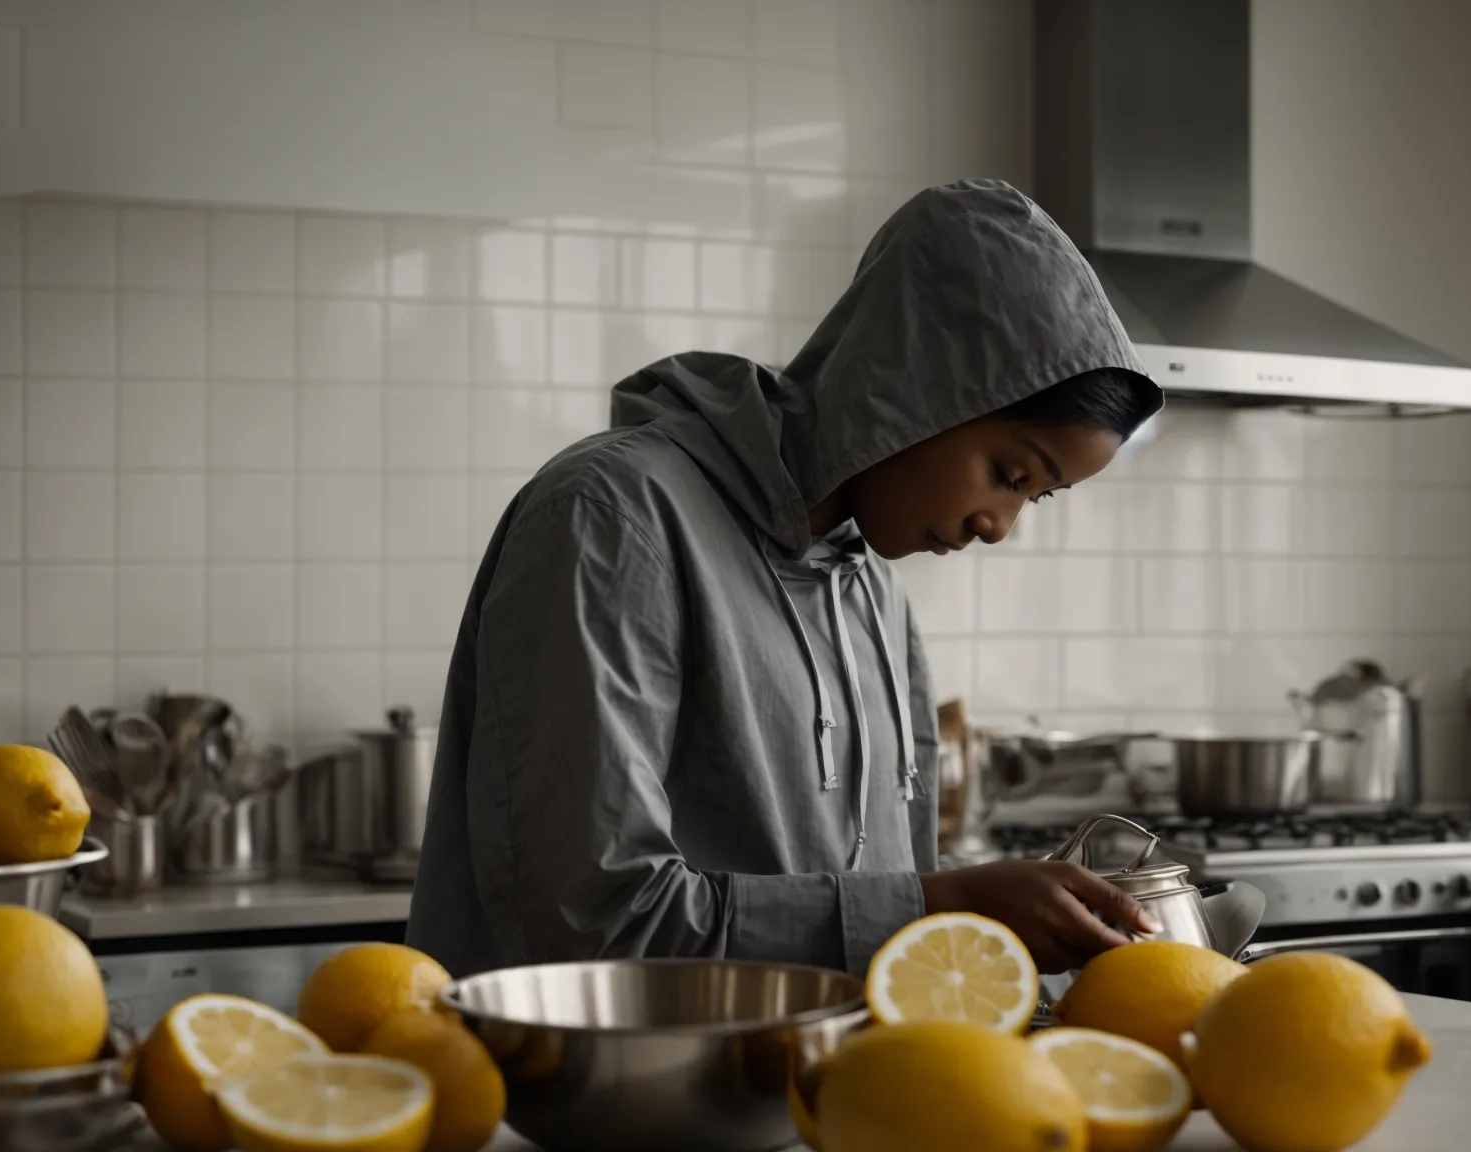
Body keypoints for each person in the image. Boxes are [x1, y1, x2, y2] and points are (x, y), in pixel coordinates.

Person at [405, 178, 1165, 980]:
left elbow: (894, 941)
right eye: (1009, 473)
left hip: (809, 1099)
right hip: (597, 1103)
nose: (998, 525)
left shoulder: (872, 589)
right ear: (914, 384)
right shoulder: (611, 518)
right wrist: (943, 908)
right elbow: (586, 924)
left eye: (1034, 496)